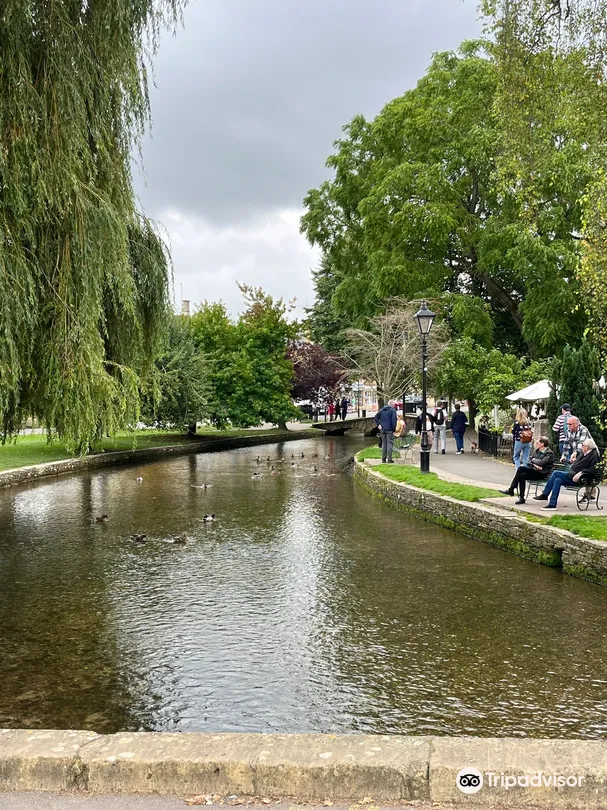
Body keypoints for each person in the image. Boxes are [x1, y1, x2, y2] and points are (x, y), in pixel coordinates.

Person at [533, 438, 601, 509]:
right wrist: (572, 460)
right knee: (557, 480)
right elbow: (578, 463)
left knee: (556, 473)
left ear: (587, 447)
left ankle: (545, 494)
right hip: (573, 475)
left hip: (582, 479)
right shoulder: (584, 453)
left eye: (583, 445)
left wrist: (581, 473)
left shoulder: (594, 456)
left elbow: (594, 469)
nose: (581, 446)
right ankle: (552, 504)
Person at [500, 437, 555, 504]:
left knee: (521, 468)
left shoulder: (549, 453)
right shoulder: (537, 451)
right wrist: (536, 465)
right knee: (522, 475)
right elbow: (529, 461)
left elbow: (542, 463)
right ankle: (521, 498)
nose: (536, 444)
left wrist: (534, 461)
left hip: (541, 474)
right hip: (534, 471)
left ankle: (511, 489)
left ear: (542, 444)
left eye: (537, 442)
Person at [374, 399, 398, 463]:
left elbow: (376, 417)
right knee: (390, 443)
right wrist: (394, 430)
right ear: (392, 405)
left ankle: (383, 459)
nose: (394, 406)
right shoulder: (393, 410)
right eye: (394, 404)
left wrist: (378, 424)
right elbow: (394, 421)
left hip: (382, 429)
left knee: (384, 443)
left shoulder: (382, 409)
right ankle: (389, 459)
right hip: (389, 429)